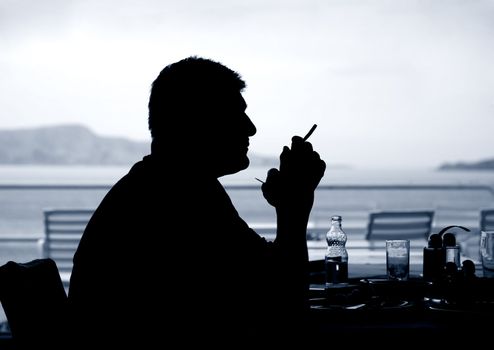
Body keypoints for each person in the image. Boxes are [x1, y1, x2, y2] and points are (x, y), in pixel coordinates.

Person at [67, 56, 326, 346]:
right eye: (235, 114)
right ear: (198, 122)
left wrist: (289, 206)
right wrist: (296, 204)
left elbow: (261, 277)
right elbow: (284, 302)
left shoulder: (163, 184)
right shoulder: (178, 196)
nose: (250, 128)